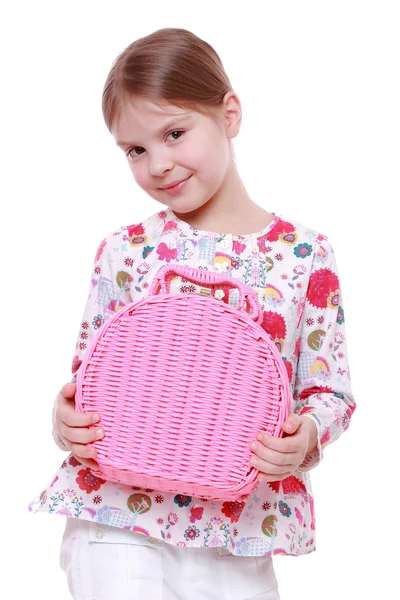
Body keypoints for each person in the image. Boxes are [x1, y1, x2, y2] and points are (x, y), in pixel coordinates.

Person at [29, 27, 356, 600]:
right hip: (114, 516)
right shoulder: (125, 249)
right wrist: (66, 418)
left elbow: (330, 393)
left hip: (237, 523)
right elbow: (91, 376)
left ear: (229, 114)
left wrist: (304, 435)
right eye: (135, 149)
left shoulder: (304, 256)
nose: (157, 164)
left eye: (174, 133)